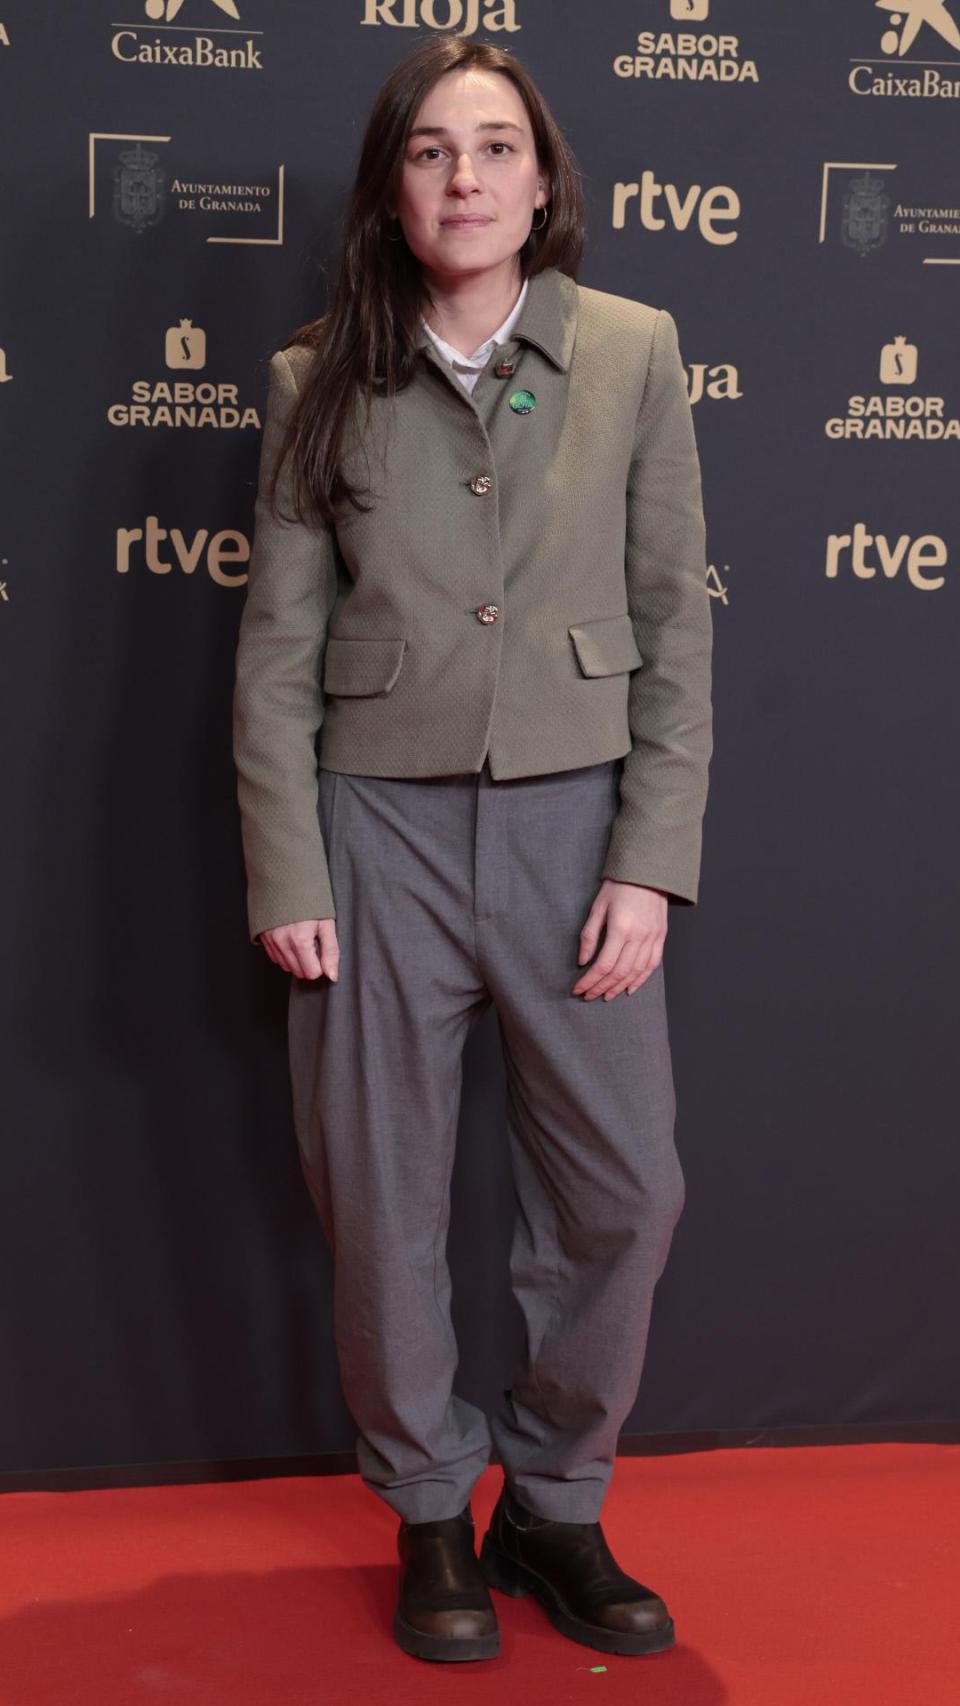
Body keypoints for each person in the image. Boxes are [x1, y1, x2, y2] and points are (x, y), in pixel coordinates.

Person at [232, 33, 713, 1666]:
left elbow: (673, 628)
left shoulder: (635, 350)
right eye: (432, 150)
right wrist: (289, 867)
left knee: (627, 1189)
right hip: (376, 833)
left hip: (581, 827)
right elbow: (278, 656)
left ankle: (556, 1503)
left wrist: (650, 857)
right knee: (381, 1190)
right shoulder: (320, 376)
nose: (465, 178)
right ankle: (431, 1500)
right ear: (393, 184)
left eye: (495, 147)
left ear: (543, 178)